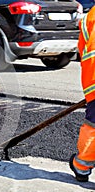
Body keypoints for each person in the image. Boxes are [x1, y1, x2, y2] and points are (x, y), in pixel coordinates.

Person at [69, 6, 95, 182]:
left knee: (93, 125)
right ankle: (82, 165)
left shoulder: (90, 16)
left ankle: (82, 166)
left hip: (93, 77)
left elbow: (83, 49)